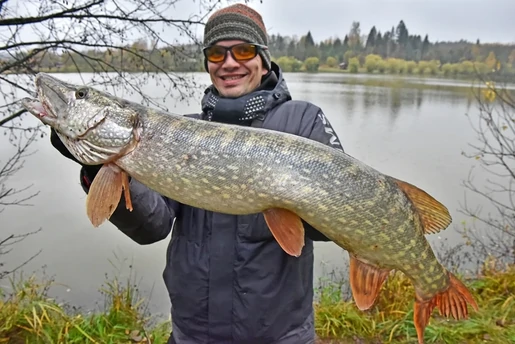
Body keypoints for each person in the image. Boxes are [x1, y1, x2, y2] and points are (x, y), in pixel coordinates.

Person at [50, 3, 344, 344]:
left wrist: (292, 197)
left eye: (243, 50)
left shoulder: (302, 121)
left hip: (280, 336)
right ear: (207, 64)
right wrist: (96, 164)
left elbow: (336, 223)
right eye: (217, 54)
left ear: (263, 59)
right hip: (193, 334)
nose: (229, 63)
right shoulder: (179, 131)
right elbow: (152, 226)